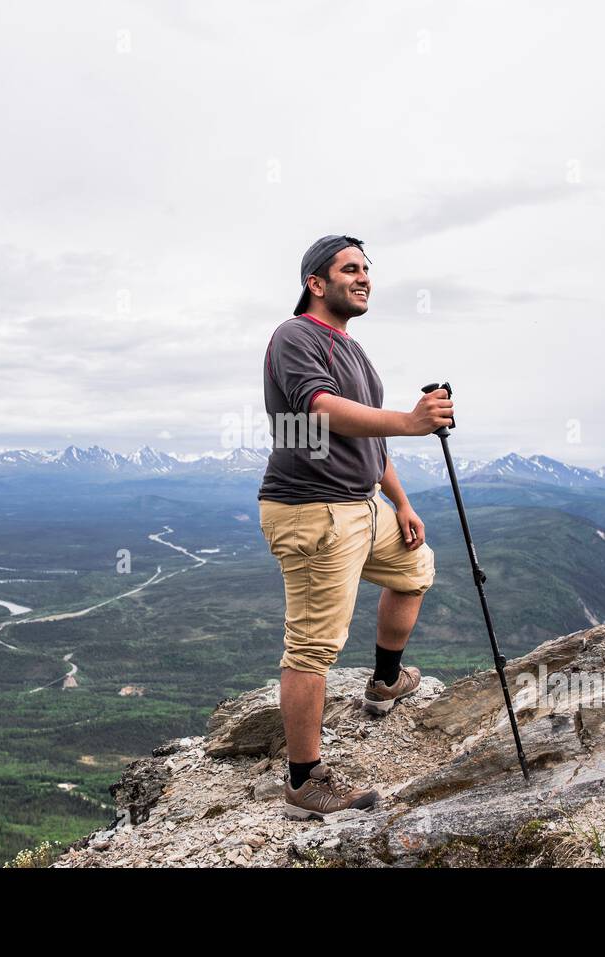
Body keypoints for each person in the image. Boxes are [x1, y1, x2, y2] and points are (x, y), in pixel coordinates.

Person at [258, 234, 454, 820]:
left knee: (415, 569)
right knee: (314, 647)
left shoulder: (354, 350)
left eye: (368, 269)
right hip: (314, 509)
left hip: (362, 504)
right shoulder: (296, 336)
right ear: (316, 283)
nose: (364, 277)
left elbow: (364, 434)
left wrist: (403, 503)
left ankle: (386, 683)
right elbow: (318, 408)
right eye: (350, 269)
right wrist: (411, 420)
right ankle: (303, 783)